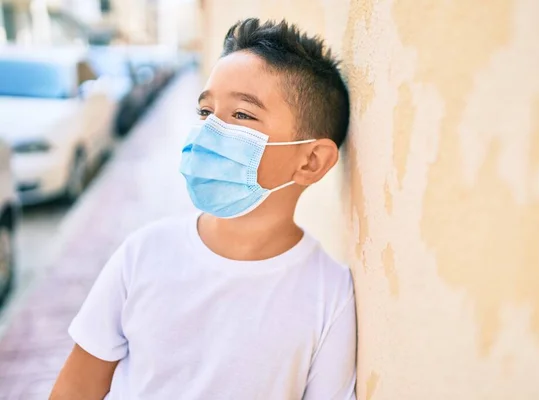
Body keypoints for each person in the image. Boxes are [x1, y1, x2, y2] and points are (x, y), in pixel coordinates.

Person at [51, 18, 356, 400]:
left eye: (242, 115)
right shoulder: (143, 254)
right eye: (206, 112)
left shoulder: (331, 293)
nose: (210, 131)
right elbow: (76, 388)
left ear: (311, 161)